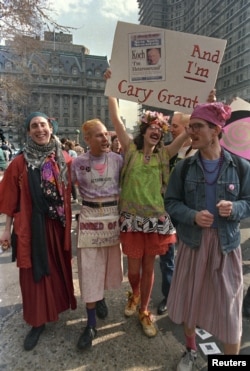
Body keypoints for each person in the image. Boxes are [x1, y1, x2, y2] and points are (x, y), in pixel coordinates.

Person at [104, 68, 192, 338]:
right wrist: (111, 87)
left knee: (149, 267)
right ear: (144, 129)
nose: (157, 132)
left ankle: (144, 310)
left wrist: (204, 102)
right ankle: (134, 294)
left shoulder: (165, 155)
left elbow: (188, 132)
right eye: (152, 128)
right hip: (131, 219)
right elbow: (116, 118)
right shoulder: (129, 149)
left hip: (155, 220)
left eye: (161, 130)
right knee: (133, 271)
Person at [164, 102, 250, 370]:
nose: (192, 132)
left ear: (216, 130)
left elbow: (248, 201)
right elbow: (171, 202)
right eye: (190, 127)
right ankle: (190, 351)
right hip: (193, 245)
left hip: (226, 248)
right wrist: (191, 216)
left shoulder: (240, 166)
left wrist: (235, 208)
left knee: (230, 312)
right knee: (192, 304)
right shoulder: (185, 168)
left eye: (197, 126)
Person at [0, 112, 77, 351]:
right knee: (33, 275)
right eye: (34, 126)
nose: (39, 129)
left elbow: (78, 187)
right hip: (31, 229)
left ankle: (55, 308)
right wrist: (5, 231)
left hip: (57, 226)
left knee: (57, 270)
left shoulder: (65, 158)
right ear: (28, 132)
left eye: (43, 125)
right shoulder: (19, 162)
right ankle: (36, 321)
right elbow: (10, 200)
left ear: (51, 128)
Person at [71, 118, 123, 351]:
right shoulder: (77, 162)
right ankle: (91, 324)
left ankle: (100, 296)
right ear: (87, 139)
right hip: (89, 217)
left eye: (106, 134)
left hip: (113, 218)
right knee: (90, 269)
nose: (105, 138)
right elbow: (62, 189)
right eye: (99, 135)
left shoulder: (118, 160)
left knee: (109, 267)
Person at [157, 111, 196, 315]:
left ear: (188, 128)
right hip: (166, 212)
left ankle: (190, 302)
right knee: (167, 257)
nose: (170, 129)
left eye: (174, 126)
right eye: (170, 125)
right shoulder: (167, 151)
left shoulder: (197, 153)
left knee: (190, 258)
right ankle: (169, 296)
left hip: (190, 215)